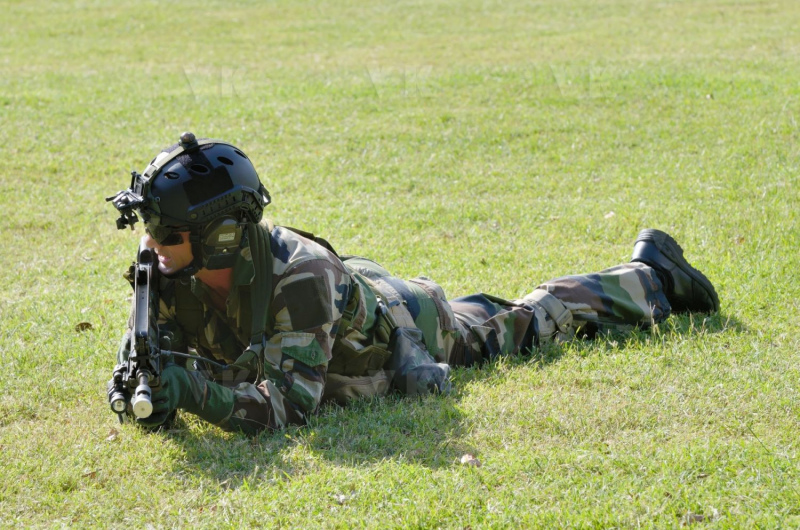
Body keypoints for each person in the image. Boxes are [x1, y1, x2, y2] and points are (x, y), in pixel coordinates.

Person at [107, 133, 719, 435]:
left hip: (406, 323)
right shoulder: (164, 267)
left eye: (169, 233)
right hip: (344, 307)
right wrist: (150, 387)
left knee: (521, 324)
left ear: (218, 237)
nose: (152, 244)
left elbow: (289, 406)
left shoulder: (300, 278)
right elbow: (161, 354)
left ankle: (651, 274)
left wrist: (190, 392)